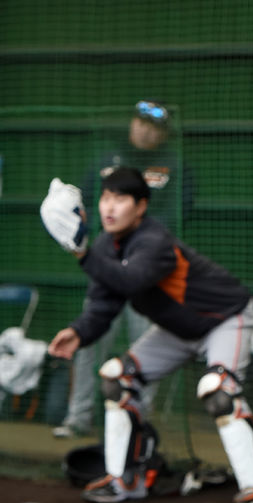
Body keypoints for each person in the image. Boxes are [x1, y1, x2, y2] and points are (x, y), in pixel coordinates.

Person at [44, 167, 253, 503]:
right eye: (105, 198)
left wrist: (82, 254)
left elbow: (130, 280)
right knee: (116, 378)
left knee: (218, 392)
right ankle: (125, 479)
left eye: (120, 198)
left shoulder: (154, 240)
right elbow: (103, 304)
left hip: (224, 318)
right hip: (178, 328)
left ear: (141, 206)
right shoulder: (105, 247)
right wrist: (78, 332)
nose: (109, 207)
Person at [53, 100, 185, 438]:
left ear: (163, 134)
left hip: (147, 274)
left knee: (145, 348)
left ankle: (138, 420)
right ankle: (78, 418)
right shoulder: (106, 161)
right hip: (108, 269)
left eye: (153, 127)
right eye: (140, 122)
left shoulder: (173, 165)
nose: (144, 130)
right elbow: (83, 203)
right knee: (88, 342)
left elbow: (175, 215)